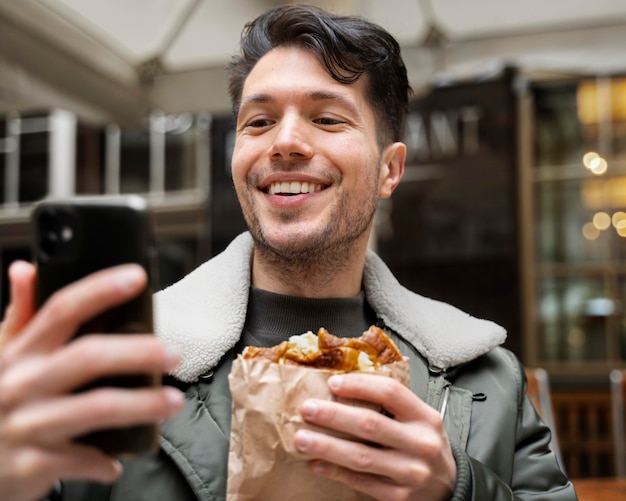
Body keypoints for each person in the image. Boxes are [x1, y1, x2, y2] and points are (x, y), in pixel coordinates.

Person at [0, 4, 577, 501]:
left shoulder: (487, 378)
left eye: (327, 118)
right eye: (259, 121)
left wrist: (457, 488)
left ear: (390, 170)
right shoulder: (110, 362)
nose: (285, 143)